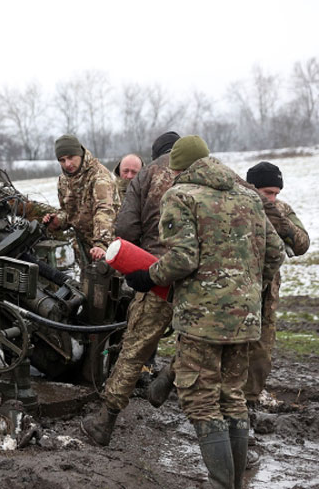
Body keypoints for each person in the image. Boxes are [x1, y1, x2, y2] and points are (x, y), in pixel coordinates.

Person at [123, 136, 284, 489]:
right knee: (233, 396)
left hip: (202, 321)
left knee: (201, 400)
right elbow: (275, 254)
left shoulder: (180, 197)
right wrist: (246, 290)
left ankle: (221, 484)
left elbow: (182, 259)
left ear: (179, 168)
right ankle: (235, 483)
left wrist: (146, 276)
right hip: (245, 318)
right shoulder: (248, 196)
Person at [80, 132, 180, 447]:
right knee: (196, 337)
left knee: (134, 347)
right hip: (199, 277)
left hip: (156, 274)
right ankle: (169, 375)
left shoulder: (148, 175)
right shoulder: (202, 173)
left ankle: (104, 421)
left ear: (155, 155)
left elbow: (124, 229)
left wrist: (138, 263)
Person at [243, 162, 310, 406]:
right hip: (236, 289)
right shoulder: (236, 205)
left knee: (261, 353)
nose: (272, 198)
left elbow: (302, 243)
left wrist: (277, 219)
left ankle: (248, 404)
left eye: (275, 193)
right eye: (267, 193)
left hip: (267, 292)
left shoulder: (280, 210)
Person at [43, 134, 120, 265]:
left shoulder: (99, 176)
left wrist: (101, 244)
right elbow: (68, 212)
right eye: (62, 160)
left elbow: (105, 211)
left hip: (110, 244)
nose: (67, 164)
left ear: (80, 154)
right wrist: (58, 220)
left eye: (71, 158)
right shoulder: (63, 180)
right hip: (84, 248)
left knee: (111, 282)